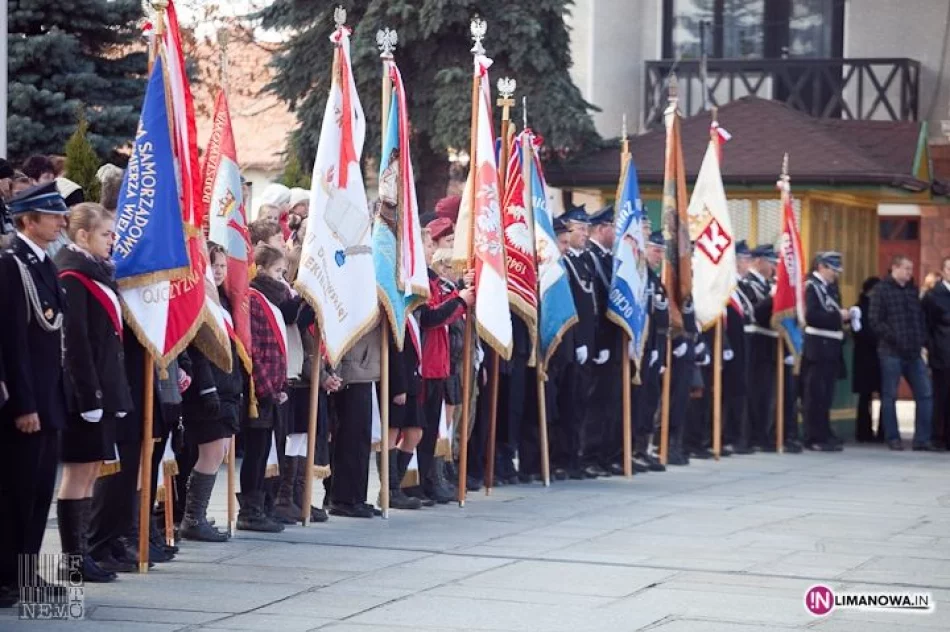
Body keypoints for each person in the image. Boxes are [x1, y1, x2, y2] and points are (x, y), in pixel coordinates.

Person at [54, 203, 133, 583]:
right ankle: (72, 560)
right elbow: (76, 343)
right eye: (105, 234)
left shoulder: (97, 273)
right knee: (77, 473)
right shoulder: (73, 275)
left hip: (103, 390)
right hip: (83, 395)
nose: (112, 240)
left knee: (89, 473)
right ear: (83, 235)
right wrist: (90, 397)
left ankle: (81, 555)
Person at [0, 183, 69, 607]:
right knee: (16, 494)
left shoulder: (43, 263)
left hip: (49, 399)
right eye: (53, 215)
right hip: (27, 404)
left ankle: (27, 575)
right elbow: (12, 341)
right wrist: (24, 404)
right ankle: (6, 577)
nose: (61, 221)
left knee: (40, 494)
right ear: (28, 221)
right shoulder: (11, 265)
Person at [178, 243, 244, 541]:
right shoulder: (200, 299)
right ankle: (192, 518)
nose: (217, 271)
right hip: (209, 389)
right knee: (212, 452)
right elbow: (199, 350)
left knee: (219, 452)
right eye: (211, 265)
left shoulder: (223, 301)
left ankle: (196, 515)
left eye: (221, 266)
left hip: (226, 387)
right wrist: (207, 388)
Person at [240, 244, 294, 532]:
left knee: (269, 450)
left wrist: (281, 385)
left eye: (283, 272)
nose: (281, 278)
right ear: (260, 269)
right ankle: (249, 510)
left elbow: (279, 348)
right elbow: (255, 349)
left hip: (275, 389)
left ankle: (264, 505)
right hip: (261, 391)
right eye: (276, 271)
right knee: (256, 451)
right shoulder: (254, 299)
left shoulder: (273, 300)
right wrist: (267, 388)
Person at [870, 255, 933, 451]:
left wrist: (921, 339)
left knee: (925, 393)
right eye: (906, 268)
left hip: (914, 352)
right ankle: (892, 437)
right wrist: (894, 337)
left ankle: (922, 439)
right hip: (891, 351)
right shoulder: (881, 290)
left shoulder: (912, 291)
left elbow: (920, 318)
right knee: (889, 395)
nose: (909, 273)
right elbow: (875, 320)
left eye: (910, 269)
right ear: (895, 268)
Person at [583, 205, 624, 475]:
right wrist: (600, 344)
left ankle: (605, 454)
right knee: (595, 404)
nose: (617, 233)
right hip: (600, 343)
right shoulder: (591, 258)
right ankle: (589, 454)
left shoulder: (609, 259)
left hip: (613, 344)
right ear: (601, 228)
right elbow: (595, 306)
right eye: (613, 227)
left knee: (610, 402)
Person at [561, 205, 601, 477]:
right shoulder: (564, 263)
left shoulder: (585, 261)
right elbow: (571, 307)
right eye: (580, 228)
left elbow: (592, 305)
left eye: (587, 229)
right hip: (573, 343)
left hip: (588, 342)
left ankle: (576, 456)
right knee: (570, 403)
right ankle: (564, 458)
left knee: (582, 403)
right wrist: (577, 342)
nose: (585, 233)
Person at [801, 252, 850, 452]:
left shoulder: (830, 288)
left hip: (831, 346)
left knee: (826, 394)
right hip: (817, 346)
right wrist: (838, 316)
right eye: (832, 269)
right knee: (815, 394)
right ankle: (813, 436)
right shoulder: (811, 287)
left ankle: (824, 431)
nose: (835, 274)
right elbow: (811, 315)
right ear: (821, 266)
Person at [632, 228, 667, 473]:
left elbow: (660, 319)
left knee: (650, 399)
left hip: (653, 347)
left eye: (662, 252)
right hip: (639, 348)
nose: (659, 256)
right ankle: (633, 448)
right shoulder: (639, 275)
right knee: (639, 400)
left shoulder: (654, 279)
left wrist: (657, 349)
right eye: (656, 250)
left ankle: (643, 447)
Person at [740, 245, 778, 451]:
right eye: (770, 262)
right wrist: (773, 298)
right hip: (754, 343)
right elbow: (755, 313)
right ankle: (752, 436)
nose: (773, 267)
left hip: (768, 343)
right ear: (758, 261)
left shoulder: (767, 285)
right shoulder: (748, 284)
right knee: (754, 392)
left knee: (766, 393)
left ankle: (763, 434)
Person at [923, 258, 950, 450]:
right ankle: (938, 436)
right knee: (941, 396)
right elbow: (927, 325)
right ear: (943, 271)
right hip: (942, 353)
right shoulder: (933, 296)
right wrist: (931, 349)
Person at [852, 277, 882, 443]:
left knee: (866, 396)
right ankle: (876, 431)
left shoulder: (862, 306)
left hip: (866, 356)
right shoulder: (862, 308)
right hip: (871, 355)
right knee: (876, 394)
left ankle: (864, 432)